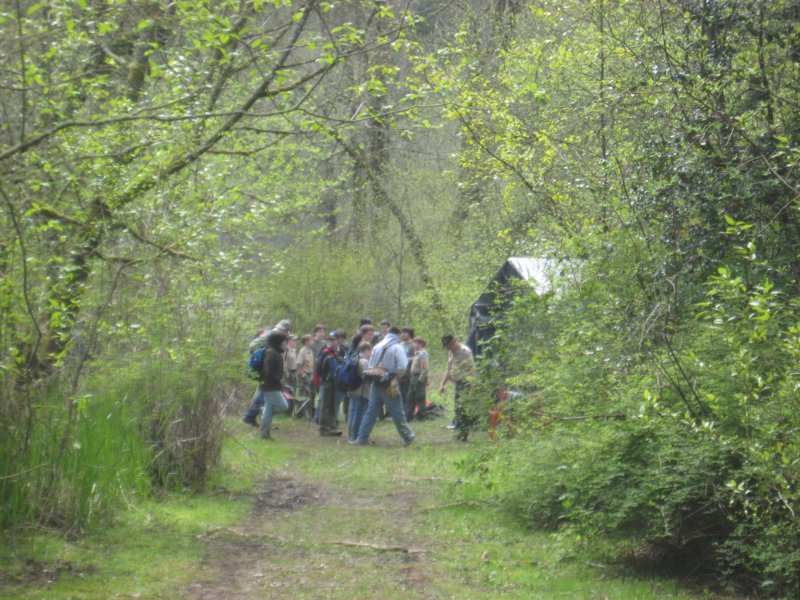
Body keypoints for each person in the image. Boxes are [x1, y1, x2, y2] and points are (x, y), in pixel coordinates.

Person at [351, 327, 415, 446]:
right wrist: (394, 373)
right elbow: (402, 367)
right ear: (397, 335)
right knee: (397, 412)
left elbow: (371, 365)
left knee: (371, 412)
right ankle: (408, 436)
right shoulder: (397, 347)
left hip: (375, 382)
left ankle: (361, 438)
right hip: (389, 383)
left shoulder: (377, 346)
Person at [243, 319, 291, 426]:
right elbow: (255, 347)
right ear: (285, 329)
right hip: (265, 368)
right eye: (287, 332)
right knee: (262, 394)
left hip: (263, 367)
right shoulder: (273, 334)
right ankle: (252, 416)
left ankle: (253, 416)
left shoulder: (271, 334)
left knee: (262, 393)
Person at [439, 333, 476, 441]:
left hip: (466, 384)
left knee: (463, 410)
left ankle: (464, 435)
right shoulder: (451, 352)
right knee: (458, 409)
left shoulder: (465, 352)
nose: (448, 349)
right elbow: (448, 369)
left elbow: (472, 371)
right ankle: (459, 432)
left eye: (448, 346)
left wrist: (472, 388)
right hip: (458, 384)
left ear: (454, 343)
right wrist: (442, 384)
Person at [258, 330, 289, 440]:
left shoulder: (274, 352)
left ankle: (264, 434)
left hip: (271, 385)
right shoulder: (271, 353)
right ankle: (264, 423)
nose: (286, 344)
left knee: (269, 409)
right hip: (270, 386)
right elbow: (268, 370)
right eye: (285, 342)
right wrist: (277, 379)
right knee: (284, 406)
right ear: (279, 342)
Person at [316, 332, 343, 436]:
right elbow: (318, 368)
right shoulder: (325, 352)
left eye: (333, 340)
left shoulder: (336, 352)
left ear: (337, 341)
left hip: (334, 382)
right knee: (325, 405)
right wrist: (323, 378)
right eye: (330, 340)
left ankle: (332, 426)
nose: (331, 342)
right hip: (327, 382)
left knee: (332, 404)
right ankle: (323, 428)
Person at [347, 341, 372, 442]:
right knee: (359, 414)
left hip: (352, 389)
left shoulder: (354, 358)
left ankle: (351, 434)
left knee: (352, 413)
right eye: (371, 351)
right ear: (366, 350)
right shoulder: (364, 361)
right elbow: (366, 377)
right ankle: (355, 436)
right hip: (361, 391)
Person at [405, 336, 429, 420]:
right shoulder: (417, 353)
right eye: (414, 343)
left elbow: (425, 369)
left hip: (418, 377)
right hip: (413, 377)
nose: (414, 345)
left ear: (420, 344)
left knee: (420, 397)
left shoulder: (422, 354)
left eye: (415, 343)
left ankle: (421, 416)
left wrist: (420, 380)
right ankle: (409, 416)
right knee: (410, 397)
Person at [398, 327, 415, 409]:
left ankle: (409, 411)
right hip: (400, 373)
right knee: (400, 393)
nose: (403, 334)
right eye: (402, 332)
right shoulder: (399, 344)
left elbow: (417, 357)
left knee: (408, 393)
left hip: (409, 372)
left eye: (405, 332)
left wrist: (406, 359)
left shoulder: (413, 345)